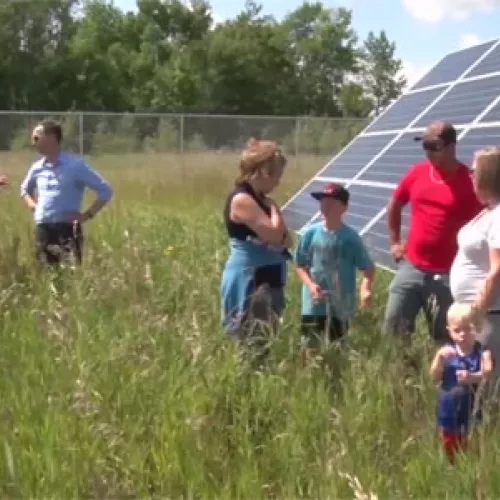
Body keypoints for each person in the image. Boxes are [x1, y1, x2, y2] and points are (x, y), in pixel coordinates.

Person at [384, 120, 483, 344]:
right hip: (411, 266)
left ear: (451, 147)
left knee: (446, 336)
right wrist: (395, 242)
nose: (428, 152)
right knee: (394, 328)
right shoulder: (417, 173)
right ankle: (402, 377)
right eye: (425, 146)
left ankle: (439, 377)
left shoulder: (470, 181)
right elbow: (395, 204)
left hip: (448, 274)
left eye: (434, 146)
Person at [220, 138, 292, 355]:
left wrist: (273, 215)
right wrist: (275, 210)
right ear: (261, 172)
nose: (278, 181)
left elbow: (288, 241)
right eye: (276, 175)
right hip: (252, 280)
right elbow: (274, 234)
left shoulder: (262, 200)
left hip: (269, 277)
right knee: (251, 343)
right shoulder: (242, 199)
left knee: (265, 342)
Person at [294, 183, 375, 360]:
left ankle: (334, 378)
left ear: (344, 207)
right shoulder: (310, 233)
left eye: (331, 202)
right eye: (323, 201)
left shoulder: (351, 238)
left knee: (338, 346)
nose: (325, 205)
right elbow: (300, 264)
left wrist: (365, 288)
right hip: (313, 303)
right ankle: (311, 380)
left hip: (341, 304)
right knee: (310, 347)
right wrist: (310, 285)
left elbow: (367, 268)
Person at [20, 120, 113, 265]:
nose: (33, 142)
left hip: (67, 229)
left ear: (51, 137)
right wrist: (33, 205)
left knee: (70, 274)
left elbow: (105, 190)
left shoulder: (75, 166)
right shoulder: (37, 168)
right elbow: (24, 189)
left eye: (36, 138)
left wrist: (87, 215)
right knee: (45, 275)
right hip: (43, 228)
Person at [449, 146, 500, 400]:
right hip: (476, 315)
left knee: (486, 390)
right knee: (472, 387)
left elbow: (497, 270)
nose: (469, 175)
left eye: (473, 171)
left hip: (488, 317)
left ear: (488, 175)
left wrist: (477, 313)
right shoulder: (489, 211)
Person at [430, 302, 492, 464]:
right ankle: (450, 470)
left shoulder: (481, 351)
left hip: (472, 408)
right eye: (457, 330)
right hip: (448, 409)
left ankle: (470, 469)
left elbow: (487, 372)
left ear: (476, 329)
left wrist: (472, 377)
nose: (462, 334)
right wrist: (439, 359)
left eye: (467, 329)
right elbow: (435, 377)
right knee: (449, 444)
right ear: (449, 331)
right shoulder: (446, 352)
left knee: (472, 445)